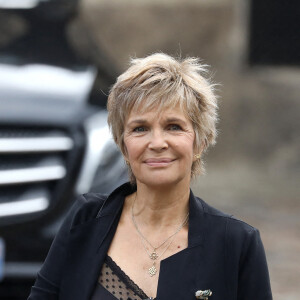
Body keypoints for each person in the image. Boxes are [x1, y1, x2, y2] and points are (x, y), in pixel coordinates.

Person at [28, 53, 272, 300]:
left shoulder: (237, 244)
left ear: (200, 142)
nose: (157, 143)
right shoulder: (85, 221)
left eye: (173, 127)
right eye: (140, 128)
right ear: (123, 145)